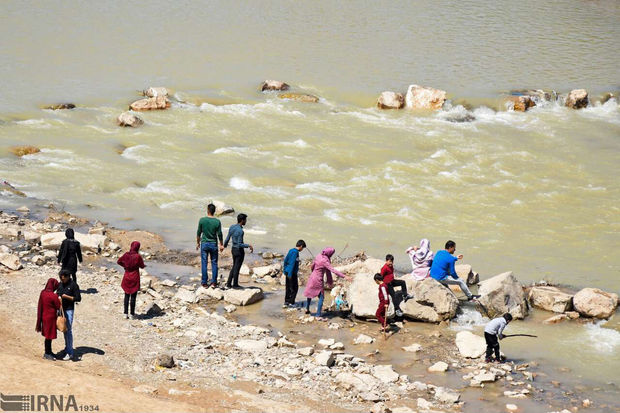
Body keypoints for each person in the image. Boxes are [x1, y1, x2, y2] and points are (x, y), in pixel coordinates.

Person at [303, 247, 352, 321]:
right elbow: (333, 270)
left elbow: (312, 266)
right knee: (321, 297)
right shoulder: (325, 261)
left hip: (312, 277)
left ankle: (307, 309)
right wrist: (344, 276)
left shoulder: (319, 256)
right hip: (318, 280)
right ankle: (318, 315)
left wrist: (316, 270)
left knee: (310, 293)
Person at [196, 203, 224, 288]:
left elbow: (198, 233)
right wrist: (221, 244)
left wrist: (198, 243)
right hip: (213, 244)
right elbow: (220, 234)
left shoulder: (202, 220)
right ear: (214, 211)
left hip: (204, 243)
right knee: (214, 263)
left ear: (207, 210)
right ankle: (214, 282)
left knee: (204, 263)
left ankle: (204, 282)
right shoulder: (217, 221)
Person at [56, 269, 81, 361]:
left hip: (69, 309)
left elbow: (78, 298)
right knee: (64, 329)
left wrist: (67, 297)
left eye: (63, 279)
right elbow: (58, 293)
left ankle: (70, 352)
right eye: (60, 278)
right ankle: (67, 348)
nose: (62, 280)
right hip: (61, 309)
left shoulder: (74, 285)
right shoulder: (60, 284)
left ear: (68, 277)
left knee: (68, 330)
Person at [223, 213, 253, 289]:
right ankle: (235, 284)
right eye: (245, 220)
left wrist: (224, 246)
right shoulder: (240, 231)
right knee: (237, 267)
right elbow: (240, 244)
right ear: (242, 220)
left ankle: (229, 283)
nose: (246, 221)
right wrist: (248, 245)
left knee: (234, 266)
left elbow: (227, 239)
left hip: (233, 249)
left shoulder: (232, 227)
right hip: (239, 251)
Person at [117, 241, 145, 319]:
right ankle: (132, 314)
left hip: (127, 276)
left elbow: (119, 261)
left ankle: (125, 313)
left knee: (126, 295)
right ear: (137, 248)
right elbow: (142, 266)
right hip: (135, 277)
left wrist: (125, 266)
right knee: (133, 297)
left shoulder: (126, 255)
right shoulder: (138, 256)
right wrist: (143, 265)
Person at [36, 278, 61, 361]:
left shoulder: (43, 293)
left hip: (44, 317)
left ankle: (49, 352)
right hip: (51, 318)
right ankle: (47, 353)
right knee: (49, 336)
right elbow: (58, 306)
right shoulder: (53, 296)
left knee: (47, 335)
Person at [283, 240, 306, 308]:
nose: (302, 249)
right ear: (301, 246)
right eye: (303, 248)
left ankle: (286, 301)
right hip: (291, 273)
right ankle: (291, 302)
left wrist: (285, 270)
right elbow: (292, 263)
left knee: (288, 287)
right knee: (294, 288)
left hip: (288, 271)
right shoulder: (295, 252)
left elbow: (285, 260)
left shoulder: (291, 250)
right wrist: (290, 274)